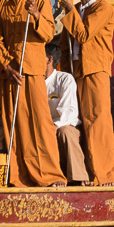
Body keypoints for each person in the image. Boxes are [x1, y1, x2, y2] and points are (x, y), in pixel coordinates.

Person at [0, 0, 65, 186]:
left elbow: (48, 34)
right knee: (14, 123)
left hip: (32, 69)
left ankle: (51, 174)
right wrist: (7, 66)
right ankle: (19, 175)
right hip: (10, 73)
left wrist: (36, 15)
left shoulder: (39, 0)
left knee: (40, 122)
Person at [61, 0, 114, 185]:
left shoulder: (103, 8)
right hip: (76, 70)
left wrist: (70, 10)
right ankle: (87, 172)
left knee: (98, 122)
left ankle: (105, 175)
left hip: (95, 70)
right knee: (80, 121)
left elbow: (84, 34)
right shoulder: (79, 9)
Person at [43, 42, 90, 186]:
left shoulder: (64, 79)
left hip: (63, 125)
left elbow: (68, 113)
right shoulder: (33, 81)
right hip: (43, 126)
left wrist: (53, 127)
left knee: (66, 132)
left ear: (49, 59)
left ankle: (79, 178)